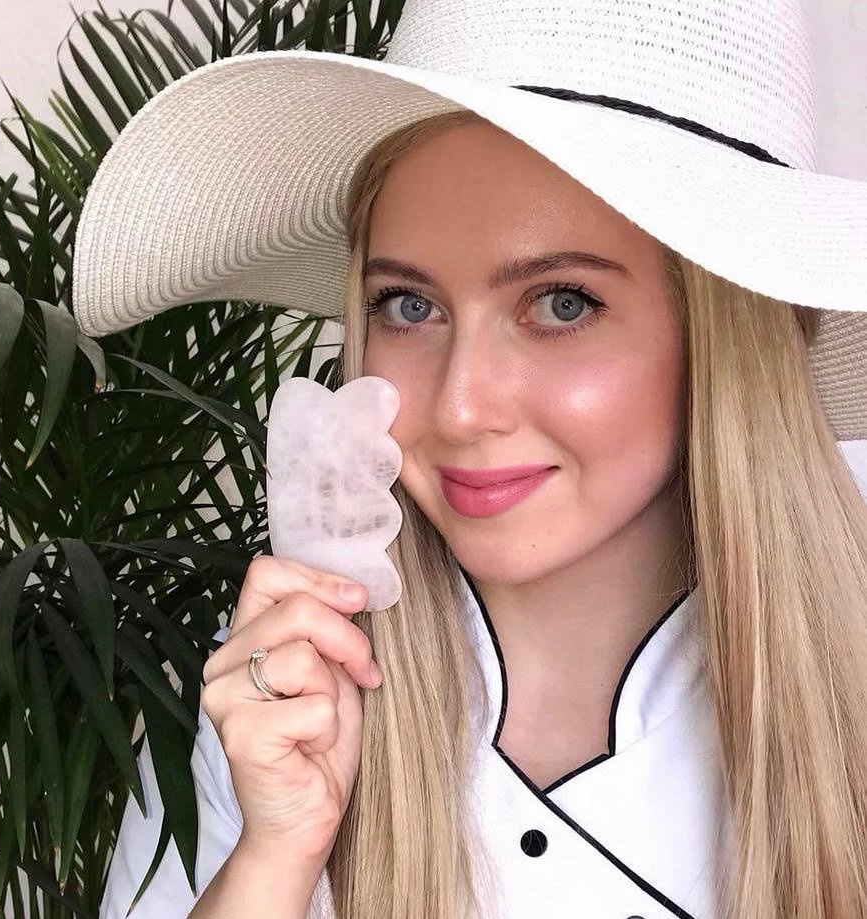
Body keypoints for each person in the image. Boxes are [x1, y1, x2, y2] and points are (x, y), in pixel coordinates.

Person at [72, 1, 867, 917]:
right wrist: (278, 852)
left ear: (721, 339)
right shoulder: (270, 697)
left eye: (561, 303)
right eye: (409, 307)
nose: (458, 407)